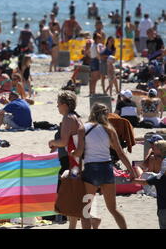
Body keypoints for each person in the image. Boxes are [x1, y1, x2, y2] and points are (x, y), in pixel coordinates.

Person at [72, 103, 138, 229]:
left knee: (86, 211)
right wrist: (131, 171)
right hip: (107, 169)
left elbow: (79, 152)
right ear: (106, 114)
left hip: (91, 170)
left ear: (92, 113)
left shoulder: (83, 128)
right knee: (113, 209)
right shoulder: (109, 129)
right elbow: (120, 153)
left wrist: (72, 153)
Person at [48, 91, 94, 229]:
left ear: (64, 104)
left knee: (80, 204)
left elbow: (62, 142)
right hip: (80, 162)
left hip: (77, 164)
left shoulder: (68, 118)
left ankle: (94, 222)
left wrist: (52, 142)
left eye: (58, 104)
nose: (57, 106)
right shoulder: (77, 117)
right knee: (76, 201)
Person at [133, 140, 166, 229]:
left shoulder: (159, 178)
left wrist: (132, 180)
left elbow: (145, 180)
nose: (152, 148)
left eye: (154, 147)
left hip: (163, 208)